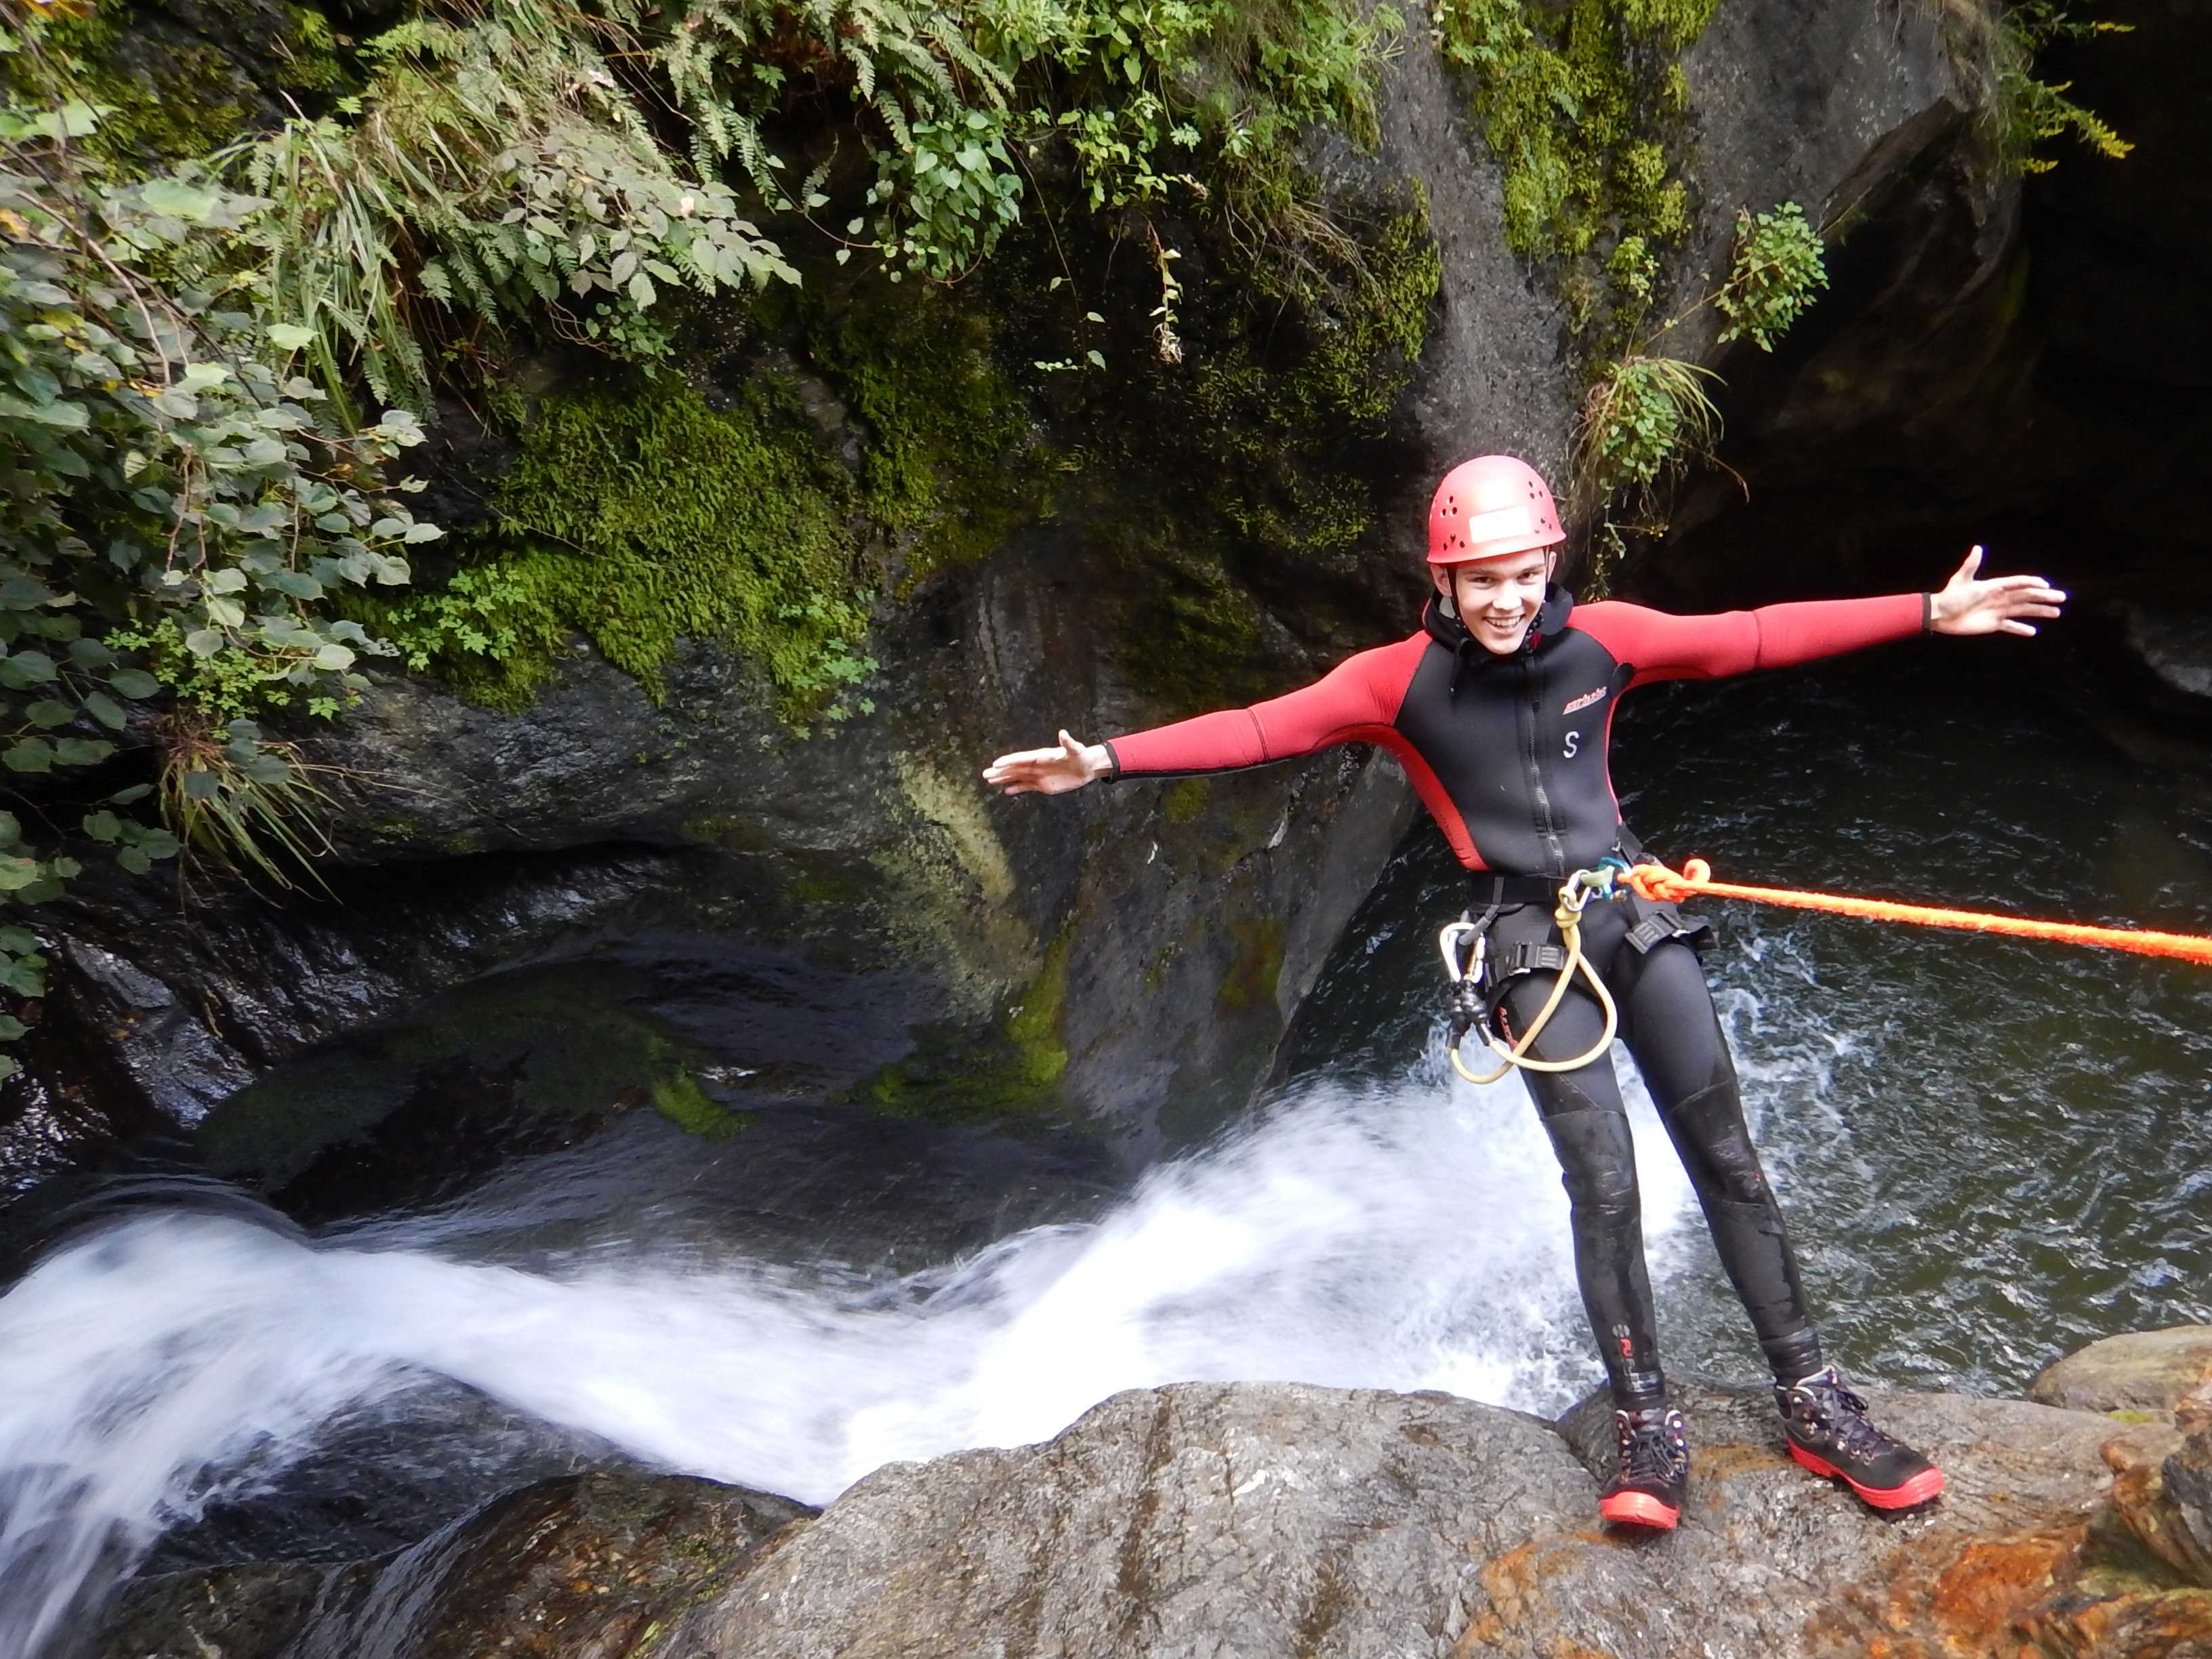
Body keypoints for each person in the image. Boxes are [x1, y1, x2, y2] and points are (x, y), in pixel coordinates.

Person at [981, 455, 2068, 1530]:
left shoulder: (1606, 641)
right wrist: (1108, 762)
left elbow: (1748, 635)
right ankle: (1647, 1423)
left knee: (1728, 1155)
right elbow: (1270, 727)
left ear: (1552, 563)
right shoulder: (1394, 682)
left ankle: (1813, 1397)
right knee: (1604, 1182)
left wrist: (1930, 610)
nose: (1506, 600)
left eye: (1524, 574)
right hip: (1525, 940)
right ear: (1444, 583)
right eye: (1482, 579)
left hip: (1630, 909)